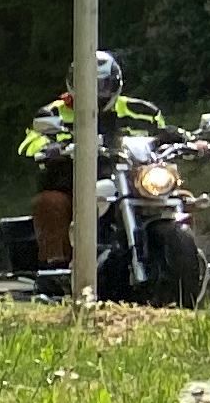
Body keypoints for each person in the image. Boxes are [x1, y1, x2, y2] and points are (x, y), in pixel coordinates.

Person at [17, 50, 173, 269]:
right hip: (73, 182)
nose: (97, 92)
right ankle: (57, 268)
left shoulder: (142, 111)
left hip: (133, 181)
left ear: (116, 83)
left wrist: (190, 141)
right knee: (51, 203)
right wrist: (49, 148)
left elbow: (164, 135)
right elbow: (29, 143)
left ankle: (182, 256)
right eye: (89, 85)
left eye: (104, 85)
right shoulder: (54, 113)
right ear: (73, 84)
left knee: (180, 196)